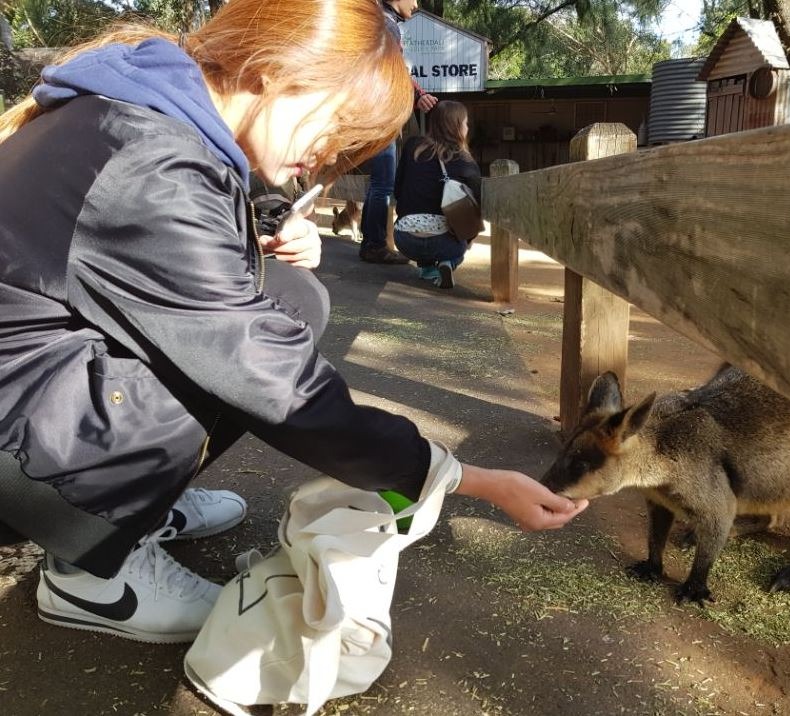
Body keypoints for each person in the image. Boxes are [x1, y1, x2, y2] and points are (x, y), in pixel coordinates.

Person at [0, 0, 587, 644]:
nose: (329, 155)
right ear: (275, 72)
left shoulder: (146, 117)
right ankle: (91, 572)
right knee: (252, 346)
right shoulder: (150, 165)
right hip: (17, 444)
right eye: (336, 126)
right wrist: (461, 476)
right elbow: (272, 378)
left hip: (37, 383)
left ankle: (142, 504)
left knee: (289, 292)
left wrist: (259, 235)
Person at [358, 0, 438, 265]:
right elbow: (394, 71)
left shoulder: (377, 21)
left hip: (373, 112)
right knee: (383, 184)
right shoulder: (387, 25)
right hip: (382, 113)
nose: (416, 4)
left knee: (378, 183)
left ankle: (370, 240)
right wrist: (418, 94)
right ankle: (375, 245)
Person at [393, 100, 480, 289]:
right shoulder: (467, 162)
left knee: (422, 233)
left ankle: (428, 269)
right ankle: (449, 262)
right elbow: (475, 211)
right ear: (457, 126)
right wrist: (467, 241)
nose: (467, 127)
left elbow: (397, 190)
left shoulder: (412, 147)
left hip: (405, 239)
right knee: (459, 242)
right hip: (446, 243)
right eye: (465, 123)